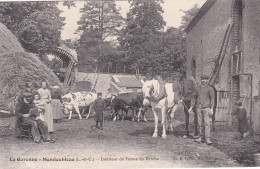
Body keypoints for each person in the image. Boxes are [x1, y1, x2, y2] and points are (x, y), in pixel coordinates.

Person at [194, 75, 215, 145]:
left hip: (206, 108)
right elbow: (194, 98)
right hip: (199, 107)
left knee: (207, 123)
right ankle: (200, 137)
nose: (204, 81)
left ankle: (207, 139)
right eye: (203, 79)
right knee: (200, 123)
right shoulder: (197, 88)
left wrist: (212, 109)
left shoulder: (210, 89)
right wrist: (192, 107)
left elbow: (212, 99)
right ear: (201, 80)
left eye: (205, 79)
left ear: (207, 80)